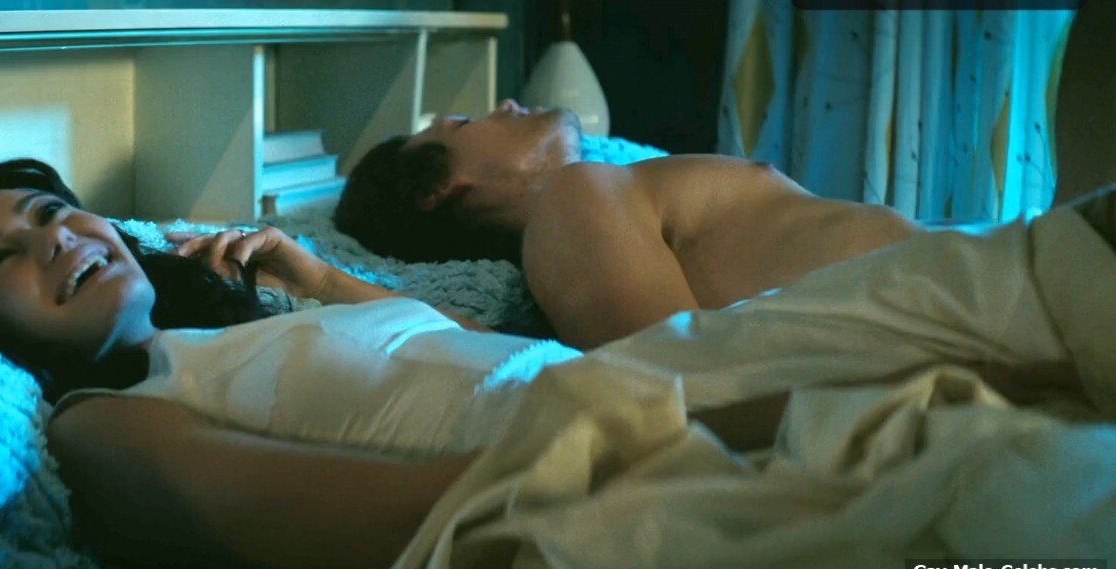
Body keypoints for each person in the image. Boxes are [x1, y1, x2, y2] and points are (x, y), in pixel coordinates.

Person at [0, 157, 1115, 569]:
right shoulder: (99, 426)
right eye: (3, 259)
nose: (57, 239)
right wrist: (718, 425)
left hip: (633, 384)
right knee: (1004, 474)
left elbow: (425, 341)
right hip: (571, 459)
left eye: (52, 208)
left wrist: (307, 269)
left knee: (1019, 277)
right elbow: (382, 509)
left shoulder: (226, 333)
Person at [334, 99, 924, 349]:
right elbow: (682, 374)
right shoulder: (571, 201)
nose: (506, 106)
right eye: (465, 124)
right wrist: (322, 280)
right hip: (925, 317)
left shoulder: (602, 199)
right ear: (439, 189)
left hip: (932, 292)